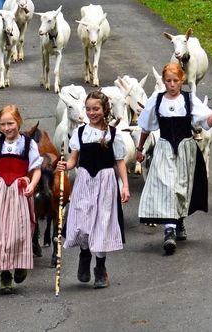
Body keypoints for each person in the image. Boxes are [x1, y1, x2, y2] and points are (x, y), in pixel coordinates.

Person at [136, 63, 212, 254]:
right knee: (167, 186)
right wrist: (139, 148)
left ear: (182, 80)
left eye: (175, 81)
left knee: (181, 188)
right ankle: (169, 231)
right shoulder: (157, 100)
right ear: (163, 81)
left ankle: (179, 221)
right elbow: (145, 125)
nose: (172, 84)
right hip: (164, 148)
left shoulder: (189, 99)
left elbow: (206, 123)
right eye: (168, 81)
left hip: (186, 148)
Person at [56, 91, 130, 289]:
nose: (91, 112)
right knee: (82, 219)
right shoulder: (81, 133)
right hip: (84, 181)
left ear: (105, 109)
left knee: (102, 224)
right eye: (88, 109)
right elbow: (73, 160)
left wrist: (125, 186)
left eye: (95, 109)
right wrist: (66, 166)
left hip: (106, 183)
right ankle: (85, 253)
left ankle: (100, 268)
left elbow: (120, 162)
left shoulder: (113, 134)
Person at [0, 105, 42, 293]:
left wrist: (32, 185)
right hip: (1, 191)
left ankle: (20, 264)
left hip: (20, 190)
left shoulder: (28, 144)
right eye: (3, 124)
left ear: (18, 122)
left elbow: (36, 169)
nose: (7, 128)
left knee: (19, 230)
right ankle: (5, 274)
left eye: (10, 123)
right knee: (1, 232)